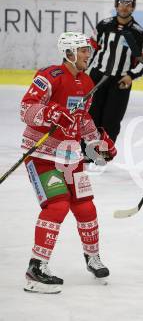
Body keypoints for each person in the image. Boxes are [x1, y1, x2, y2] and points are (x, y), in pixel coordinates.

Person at [20, 32, 117, 294]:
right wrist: (52, 113)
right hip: (41, 154)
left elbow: (83, 120)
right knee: (58, 205)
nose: (89, 55)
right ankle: (36, 268)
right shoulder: (49, 76)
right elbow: (25, 109)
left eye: (88, 51)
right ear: (70, 52)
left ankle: (92, 258)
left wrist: (98, 144)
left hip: (71, 156)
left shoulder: (87, 82)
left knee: (86, 207)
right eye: (84, 50)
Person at [87, 0, 143, 144]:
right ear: (116, 5)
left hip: (120, 81)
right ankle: (87, 150)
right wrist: (83, 72)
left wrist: (131, 76)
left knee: (112, 119)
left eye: (128, 4)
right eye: (121, 3)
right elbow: (90, 50)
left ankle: (104, 152)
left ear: (133, 7)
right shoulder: (103, 25)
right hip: (98, 76)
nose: (124, 7)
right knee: (91, 116)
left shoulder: (139, 33)